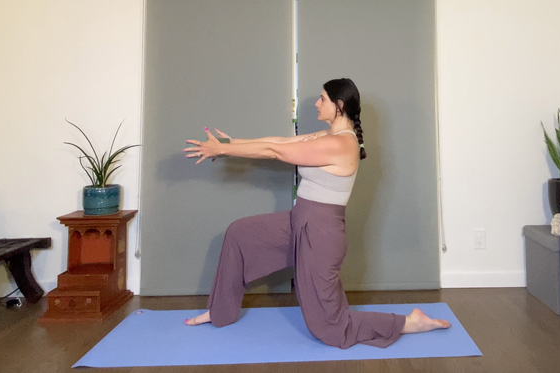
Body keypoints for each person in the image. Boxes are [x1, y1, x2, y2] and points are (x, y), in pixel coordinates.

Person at [182, 78, 449, 349]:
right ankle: (221, 312)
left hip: (321, 233)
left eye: (322, 99)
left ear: (339, 105)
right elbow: (279, 141)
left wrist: (225, 149)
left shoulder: (342, 144)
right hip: (300, 220)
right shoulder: (328, 136)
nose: (316, 103)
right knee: (240, 233)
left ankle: (408, 323)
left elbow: (276, 152)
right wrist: (228, 143)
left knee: (331, 329)